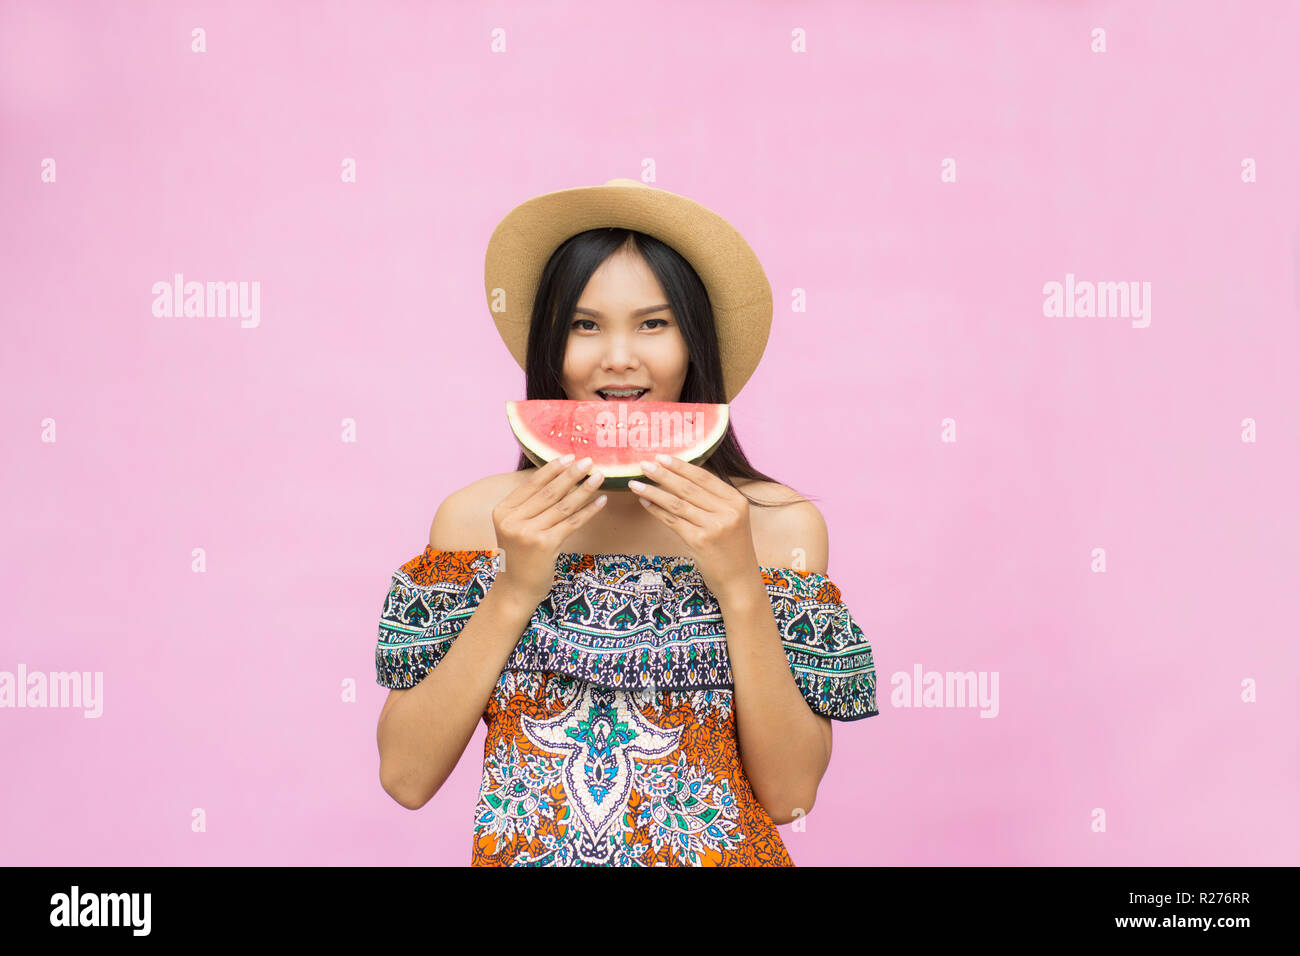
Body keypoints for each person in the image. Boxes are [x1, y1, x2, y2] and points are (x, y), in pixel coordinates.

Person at [374, 179, 878, 866]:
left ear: (695, 343)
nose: (618, 357)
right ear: (549, 345)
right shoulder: (475, 521)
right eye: (585, 325)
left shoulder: (779, 528)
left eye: (653, 323)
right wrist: (515, 587)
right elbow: (405, 777)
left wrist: (737, 583)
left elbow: (790, 796)